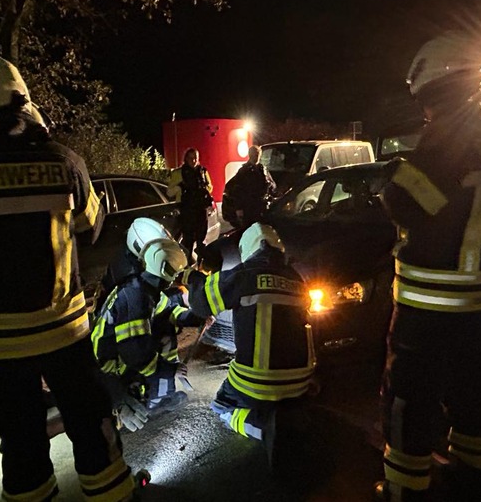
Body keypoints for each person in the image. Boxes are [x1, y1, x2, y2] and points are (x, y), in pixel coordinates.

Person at [0, 54, 136, 501]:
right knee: (91, 428)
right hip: (64, 334)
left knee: (21, 444)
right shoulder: (65, 162)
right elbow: (91, 227)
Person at [375, 32, 481, 501]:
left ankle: (403, 489)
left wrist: (394, 173)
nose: (424, 112)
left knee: (407, 400)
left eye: (426, 102)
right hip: (477, 304)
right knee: (472, 394)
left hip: (428, 305)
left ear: (438, 88)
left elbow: (405, 201)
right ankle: (477, 481)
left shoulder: (450, 137)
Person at [180, 222, 316, 468]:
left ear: (248, 249)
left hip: (258, 380)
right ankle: (290, 412)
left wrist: (192, 277)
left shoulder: (244, 274)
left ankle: (263, 429)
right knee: (283, 395)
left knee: (221, 405)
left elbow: (200, 303)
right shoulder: (297, 279)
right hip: (303, 380)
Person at [91, 238, 201, 432]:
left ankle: (159, 391)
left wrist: (195, 317)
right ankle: (148, 398)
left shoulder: (143, 288)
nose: (174, 279)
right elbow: (135, 353)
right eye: (173, 274)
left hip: (118, 353)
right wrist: (170, 370)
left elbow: (168, 311)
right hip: (109, 364)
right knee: (149, 353)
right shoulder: (135, 298)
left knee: (164, 329)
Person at [167, 148, 214, 264]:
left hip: (201, 210)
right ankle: (186, 267)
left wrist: (204, 190)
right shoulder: (178, 173)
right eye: (191, 158)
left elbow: (210, 187)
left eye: (196, 158)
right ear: (186, 159)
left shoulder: (202, 171)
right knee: (188, 241)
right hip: (187, 210)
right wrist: (180, 187)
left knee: (201, 240)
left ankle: (201, 266)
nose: (193, 161)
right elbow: (169, 192)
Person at [222, 145, 277, 229]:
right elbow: (237, 191)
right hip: (248, 207)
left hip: (261, 206)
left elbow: (272, 186)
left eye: (258, 154)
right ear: (250, 155)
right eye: (254, 154)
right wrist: (239, 208)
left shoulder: (263, 170)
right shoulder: (244, 171)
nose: (256, 157)